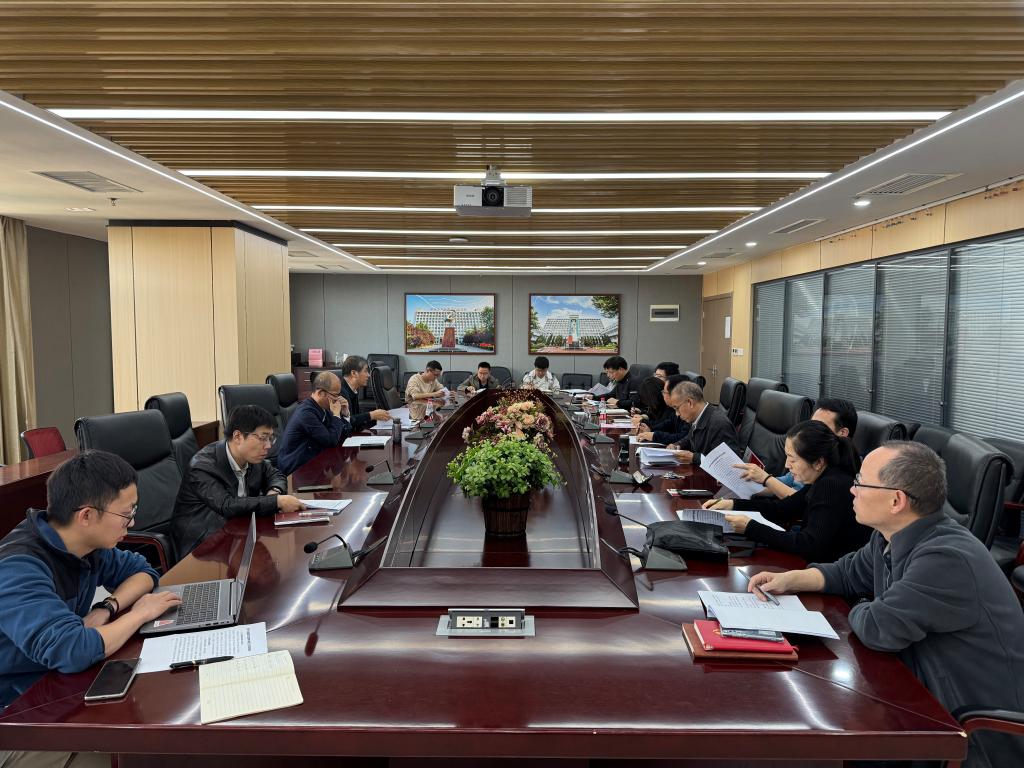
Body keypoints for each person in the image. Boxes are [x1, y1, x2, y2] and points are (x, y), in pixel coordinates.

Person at [747, 441, 1024, 768]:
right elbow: (847, 572)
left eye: (861, 483)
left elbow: (879, 629)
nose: (852, 490)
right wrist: (791, 579)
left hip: (971, 735)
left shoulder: (947, 558)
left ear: (896, 500)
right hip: (918, 699)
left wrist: (863, 604)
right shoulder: (890, 536)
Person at [0, 451, 182, 711]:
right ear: (86, 516)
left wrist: (106, 607)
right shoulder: (17, 569)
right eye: (126, 514)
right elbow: (71, 650)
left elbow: (142, 572)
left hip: (58, 680)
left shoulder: (84, 544)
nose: (132, 522)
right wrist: (139, 614)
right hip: (15, 704)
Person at [704, 420, 870, 563]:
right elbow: (782, 509)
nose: (787, 465)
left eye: (793, 459)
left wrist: (750, 527)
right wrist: (733, 505)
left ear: (818, 462)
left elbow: (809, 545)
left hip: (831, 574)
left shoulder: (832, 485)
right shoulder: (822, 477)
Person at [173, 405, 305, 557]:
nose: (268, 445)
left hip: (240, 534)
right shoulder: (202, 466)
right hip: (203, 546)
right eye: (263, 438)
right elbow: (227, 505)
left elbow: (275, 474)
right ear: (238, 437)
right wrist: (276, 501)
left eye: (270, 438)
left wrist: (274, 491)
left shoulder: (252, 458)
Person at [737, 397, 859, 500]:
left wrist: (766, 479)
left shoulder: (840, 474)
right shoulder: (808, 454)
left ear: (842, 433)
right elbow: (782, 483)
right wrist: (748, 485)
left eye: (819, 426)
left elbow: (805, 503)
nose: (809, 430)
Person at [275, 371, 354, 476]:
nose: (338, 399)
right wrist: (336, 416)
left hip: (315, 464)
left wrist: (345, 414)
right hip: (296, 470)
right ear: (321, 393)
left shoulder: (323, 408)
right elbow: (331, 440)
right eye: (336, 395)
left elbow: (342, 434)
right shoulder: (306, 413)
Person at [670, 380, 741, 463]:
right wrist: (677, 445)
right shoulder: (698, 416)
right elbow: (690, 439)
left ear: (690, 402)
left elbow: (727, 462)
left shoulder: (719, 424)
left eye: (677, 408)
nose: (677, 414)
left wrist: (694, 458)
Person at [338, 356, 391, 431]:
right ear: (354, 373)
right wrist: (372, 415)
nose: (368, 375)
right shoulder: (340, 392)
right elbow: (346, 421)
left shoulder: (352, 389)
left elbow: (355, 418)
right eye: (365, 371)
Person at [635, 373, 690, 445]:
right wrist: (651, 429)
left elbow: (681, 437)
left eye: (664, 392)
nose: (662, 394)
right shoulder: (677, 409)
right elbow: (668, 423)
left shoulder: (687, 413)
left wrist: (654, 435)